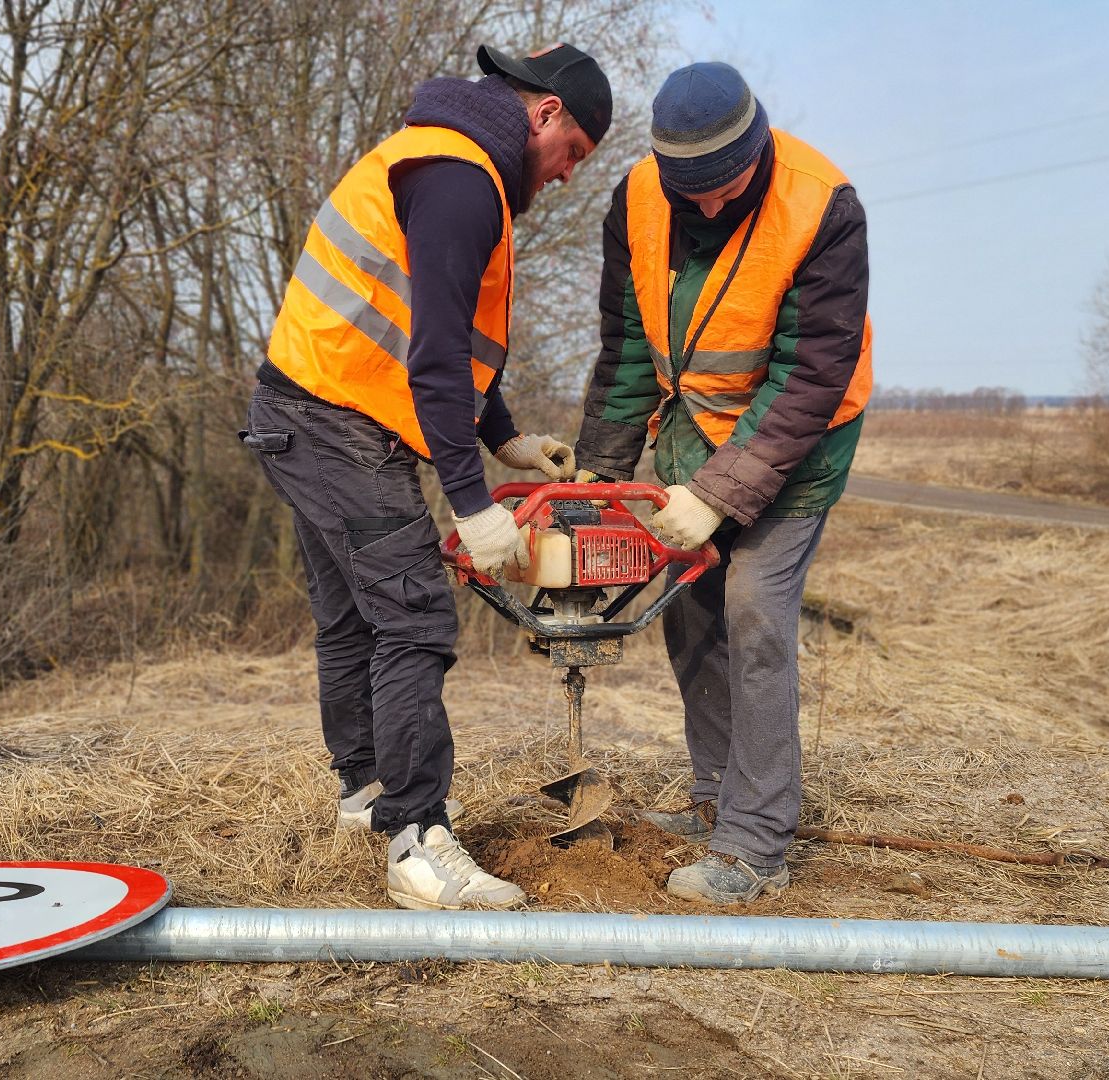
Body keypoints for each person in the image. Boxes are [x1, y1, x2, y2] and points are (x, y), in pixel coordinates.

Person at [243, 44, 613, 910]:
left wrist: (507, 438)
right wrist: (474, 502)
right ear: (545, 115)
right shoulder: (459, 180)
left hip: (298, 413)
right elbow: (436, 359)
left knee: (352, 615)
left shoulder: (438, 156)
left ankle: (366, 792)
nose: (565, 176)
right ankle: (417, 841)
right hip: (336, 425)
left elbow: (429, 332)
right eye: (575, 156)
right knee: (413, 618)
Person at [573, 62, 872, 905]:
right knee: (693, 611)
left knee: (752, 607)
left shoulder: (821, 206)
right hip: (689, 436)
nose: (704, 207)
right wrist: (600, 471)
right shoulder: (636, 200)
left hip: (799, 440)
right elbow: (629, 345)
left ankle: (756, 843)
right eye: (687, 192)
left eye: (723, 188)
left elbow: (810, 374)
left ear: (759, 151)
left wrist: (718, 496)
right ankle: (715, 800)